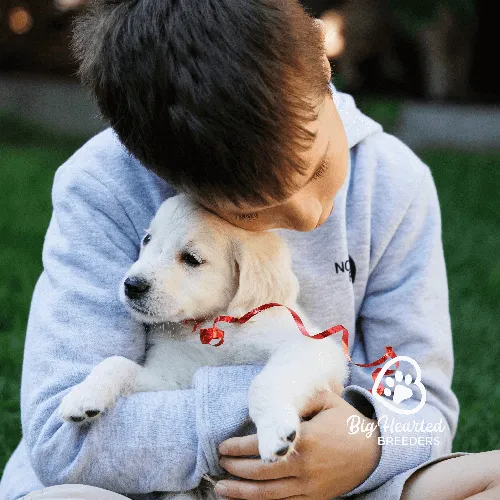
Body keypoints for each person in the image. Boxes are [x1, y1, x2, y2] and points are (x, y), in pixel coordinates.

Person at [0, 1, 499, 499]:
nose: (307, 215)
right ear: (167, 178)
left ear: (322, 63)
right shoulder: (103, 186)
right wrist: (264, 411)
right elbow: (62, 442)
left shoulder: (396, 183)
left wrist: (364, 444)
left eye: (316, 167)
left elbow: (424, 411)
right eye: (248, 214)